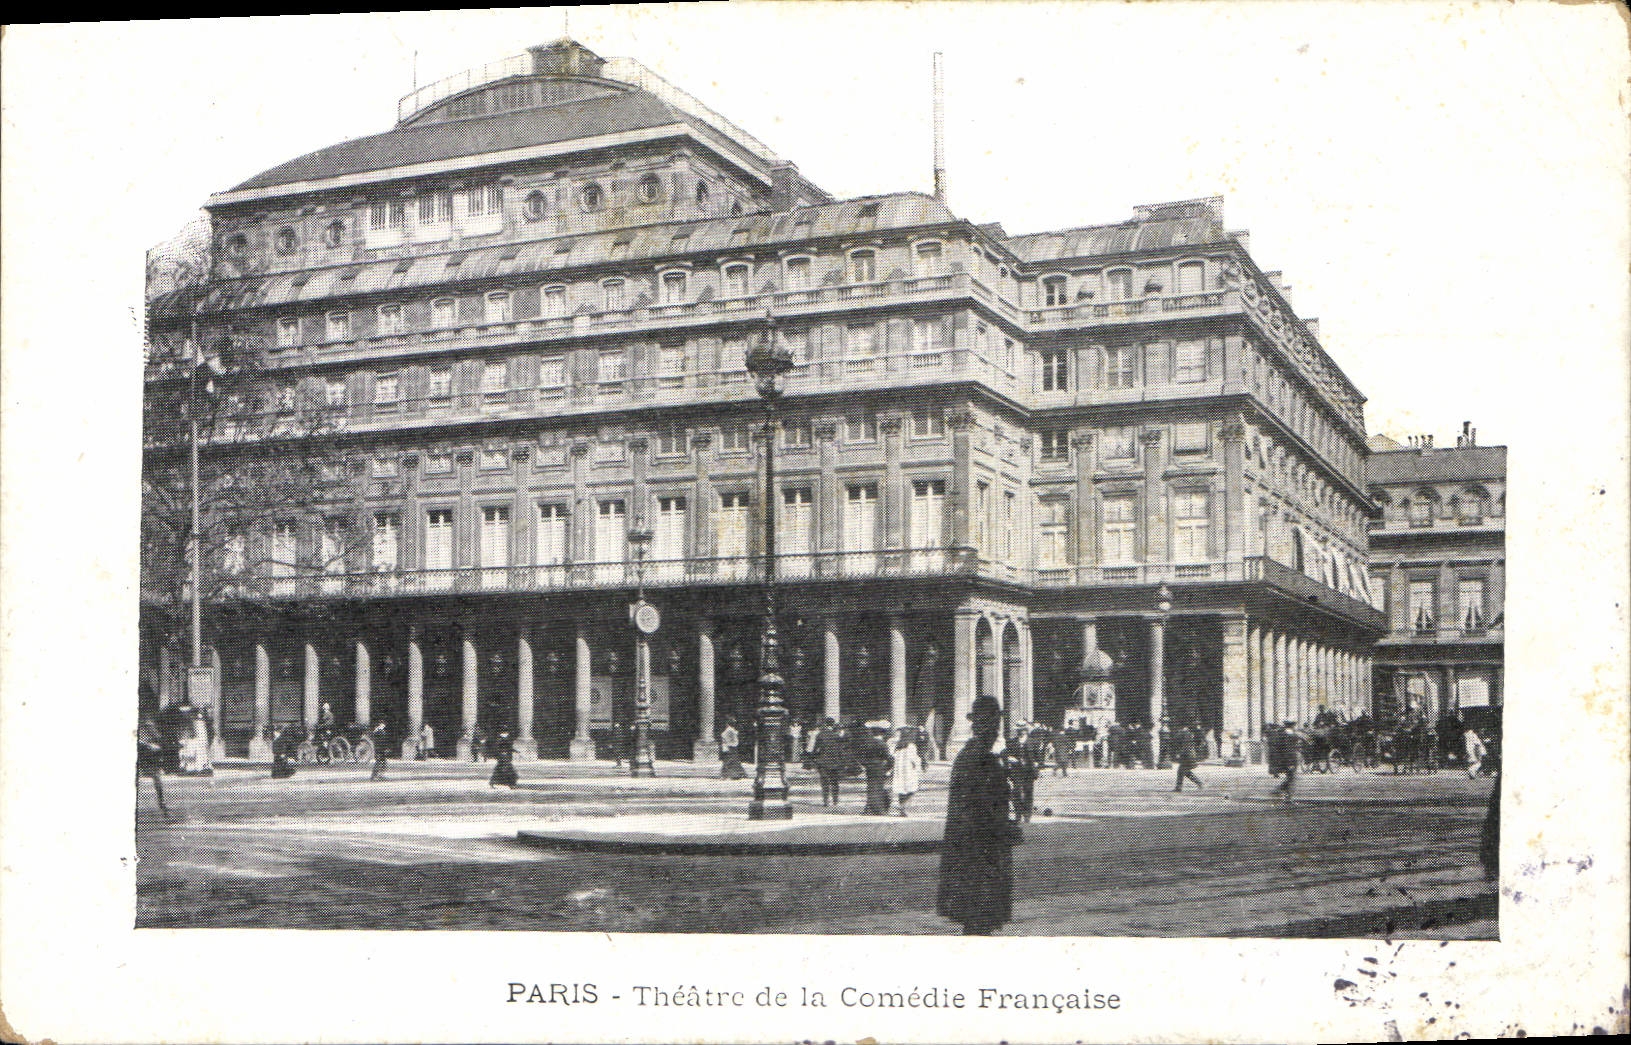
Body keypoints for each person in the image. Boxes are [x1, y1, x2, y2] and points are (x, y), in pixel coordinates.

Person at [938, 696, 1022, 935]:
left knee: (976, 919)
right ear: (985, 726)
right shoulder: (981, 759)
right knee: (980, 918)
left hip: (972, 849)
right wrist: (1005, 829)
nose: (996, 732)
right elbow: (982, 809)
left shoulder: (972, 755)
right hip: (981, 851)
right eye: (994, 725)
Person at [136, 718, 168, 815]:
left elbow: (157, 737)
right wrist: (149, 746)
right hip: (141, 752)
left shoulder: (148, 724)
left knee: (156, 777)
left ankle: (161, 802)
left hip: (147, 754)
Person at [861, 724, 893, 815]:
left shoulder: (867, 743)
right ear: (881, 734)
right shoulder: (882, 744)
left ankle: (869, 808)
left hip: (870, 769)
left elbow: (862, 758)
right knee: (878, 788)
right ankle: (879, 809)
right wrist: (887, 768)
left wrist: (866, 765)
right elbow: (889, 758)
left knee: (870, 788)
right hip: (879, 768)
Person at [812, 717, 844, 806]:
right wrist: (842, 760)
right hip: (835, 761)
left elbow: (815, 749)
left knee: (824, 782)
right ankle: (835, 800)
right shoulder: (837, 735)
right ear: (833, 725)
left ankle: (826, 801)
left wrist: (814, 758)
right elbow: (840, 750)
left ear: (825, 724)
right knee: (835, 781)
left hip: (823, 761)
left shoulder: (820, 735)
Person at [892, 730, 922, 816]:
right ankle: (904, 808)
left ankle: (902, 808)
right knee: (911, 789)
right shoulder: (911, 746)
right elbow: (914, 759)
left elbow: (893, 757)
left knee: (901, 790)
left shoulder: (898, 746)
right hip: (909, 770)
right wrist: (918, 765)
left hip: (899, 771)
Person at [1272, 720, 1301, 802]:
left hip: (1285, 758)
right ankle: (1286, 795)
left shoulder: (1282, 734)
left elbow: (1278, 747)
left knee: (1290, 777)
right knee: (1291, 777)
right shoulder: (1291, 735)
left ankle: (1282, 792)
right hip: (1290, 758)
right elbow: (1291, 748)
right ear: (1292, 725)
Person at [1173, 722, 1204, 791]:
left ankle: (1179, 787)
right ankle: (1199, 783)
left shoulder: (1184, 733)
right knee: (1185, 771)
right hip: (1191, 754)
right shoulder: (1191, 733)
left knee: (1181, 771)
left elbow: (1176, 739)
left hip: (1186, 754)